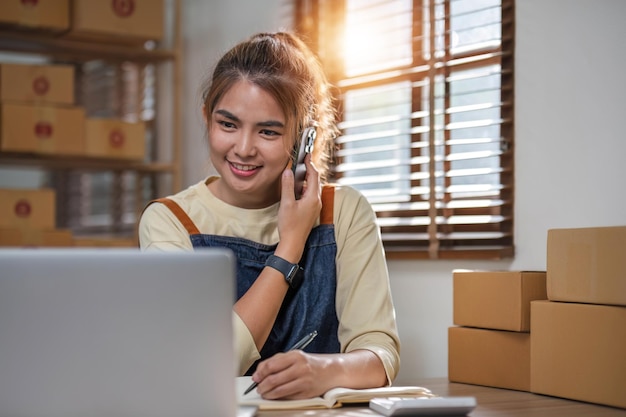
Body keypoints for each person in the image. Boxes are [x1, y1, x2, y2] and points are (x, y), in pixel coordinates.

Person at [139, 32, 400, 400]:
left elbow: (380, 355)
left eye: (268, 131)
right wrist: (290, 246)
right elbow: (201, 363)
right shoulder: (171, 220)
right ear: (206, 118)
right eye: (227, 124)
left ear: (305, 139)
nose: (243, 149)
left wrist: (323, 371)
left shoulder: (344, 212)